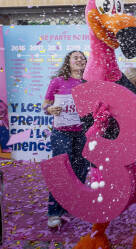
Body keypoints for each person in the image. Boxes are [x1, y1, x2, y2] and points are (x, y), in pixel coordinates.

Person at [42, 50, 90, 228]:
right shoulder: (58, 81)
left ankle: (72, 204)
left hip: (83, 132)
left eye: (83, 58)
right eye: (76, 57)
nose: (80, 60)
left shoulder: (89, 81)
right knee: (61, 171)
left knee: (81, 170)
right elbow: (45, 105)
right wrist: (50, 109)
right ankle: (54, 213)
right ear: (68, 62)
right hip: (61, 132)